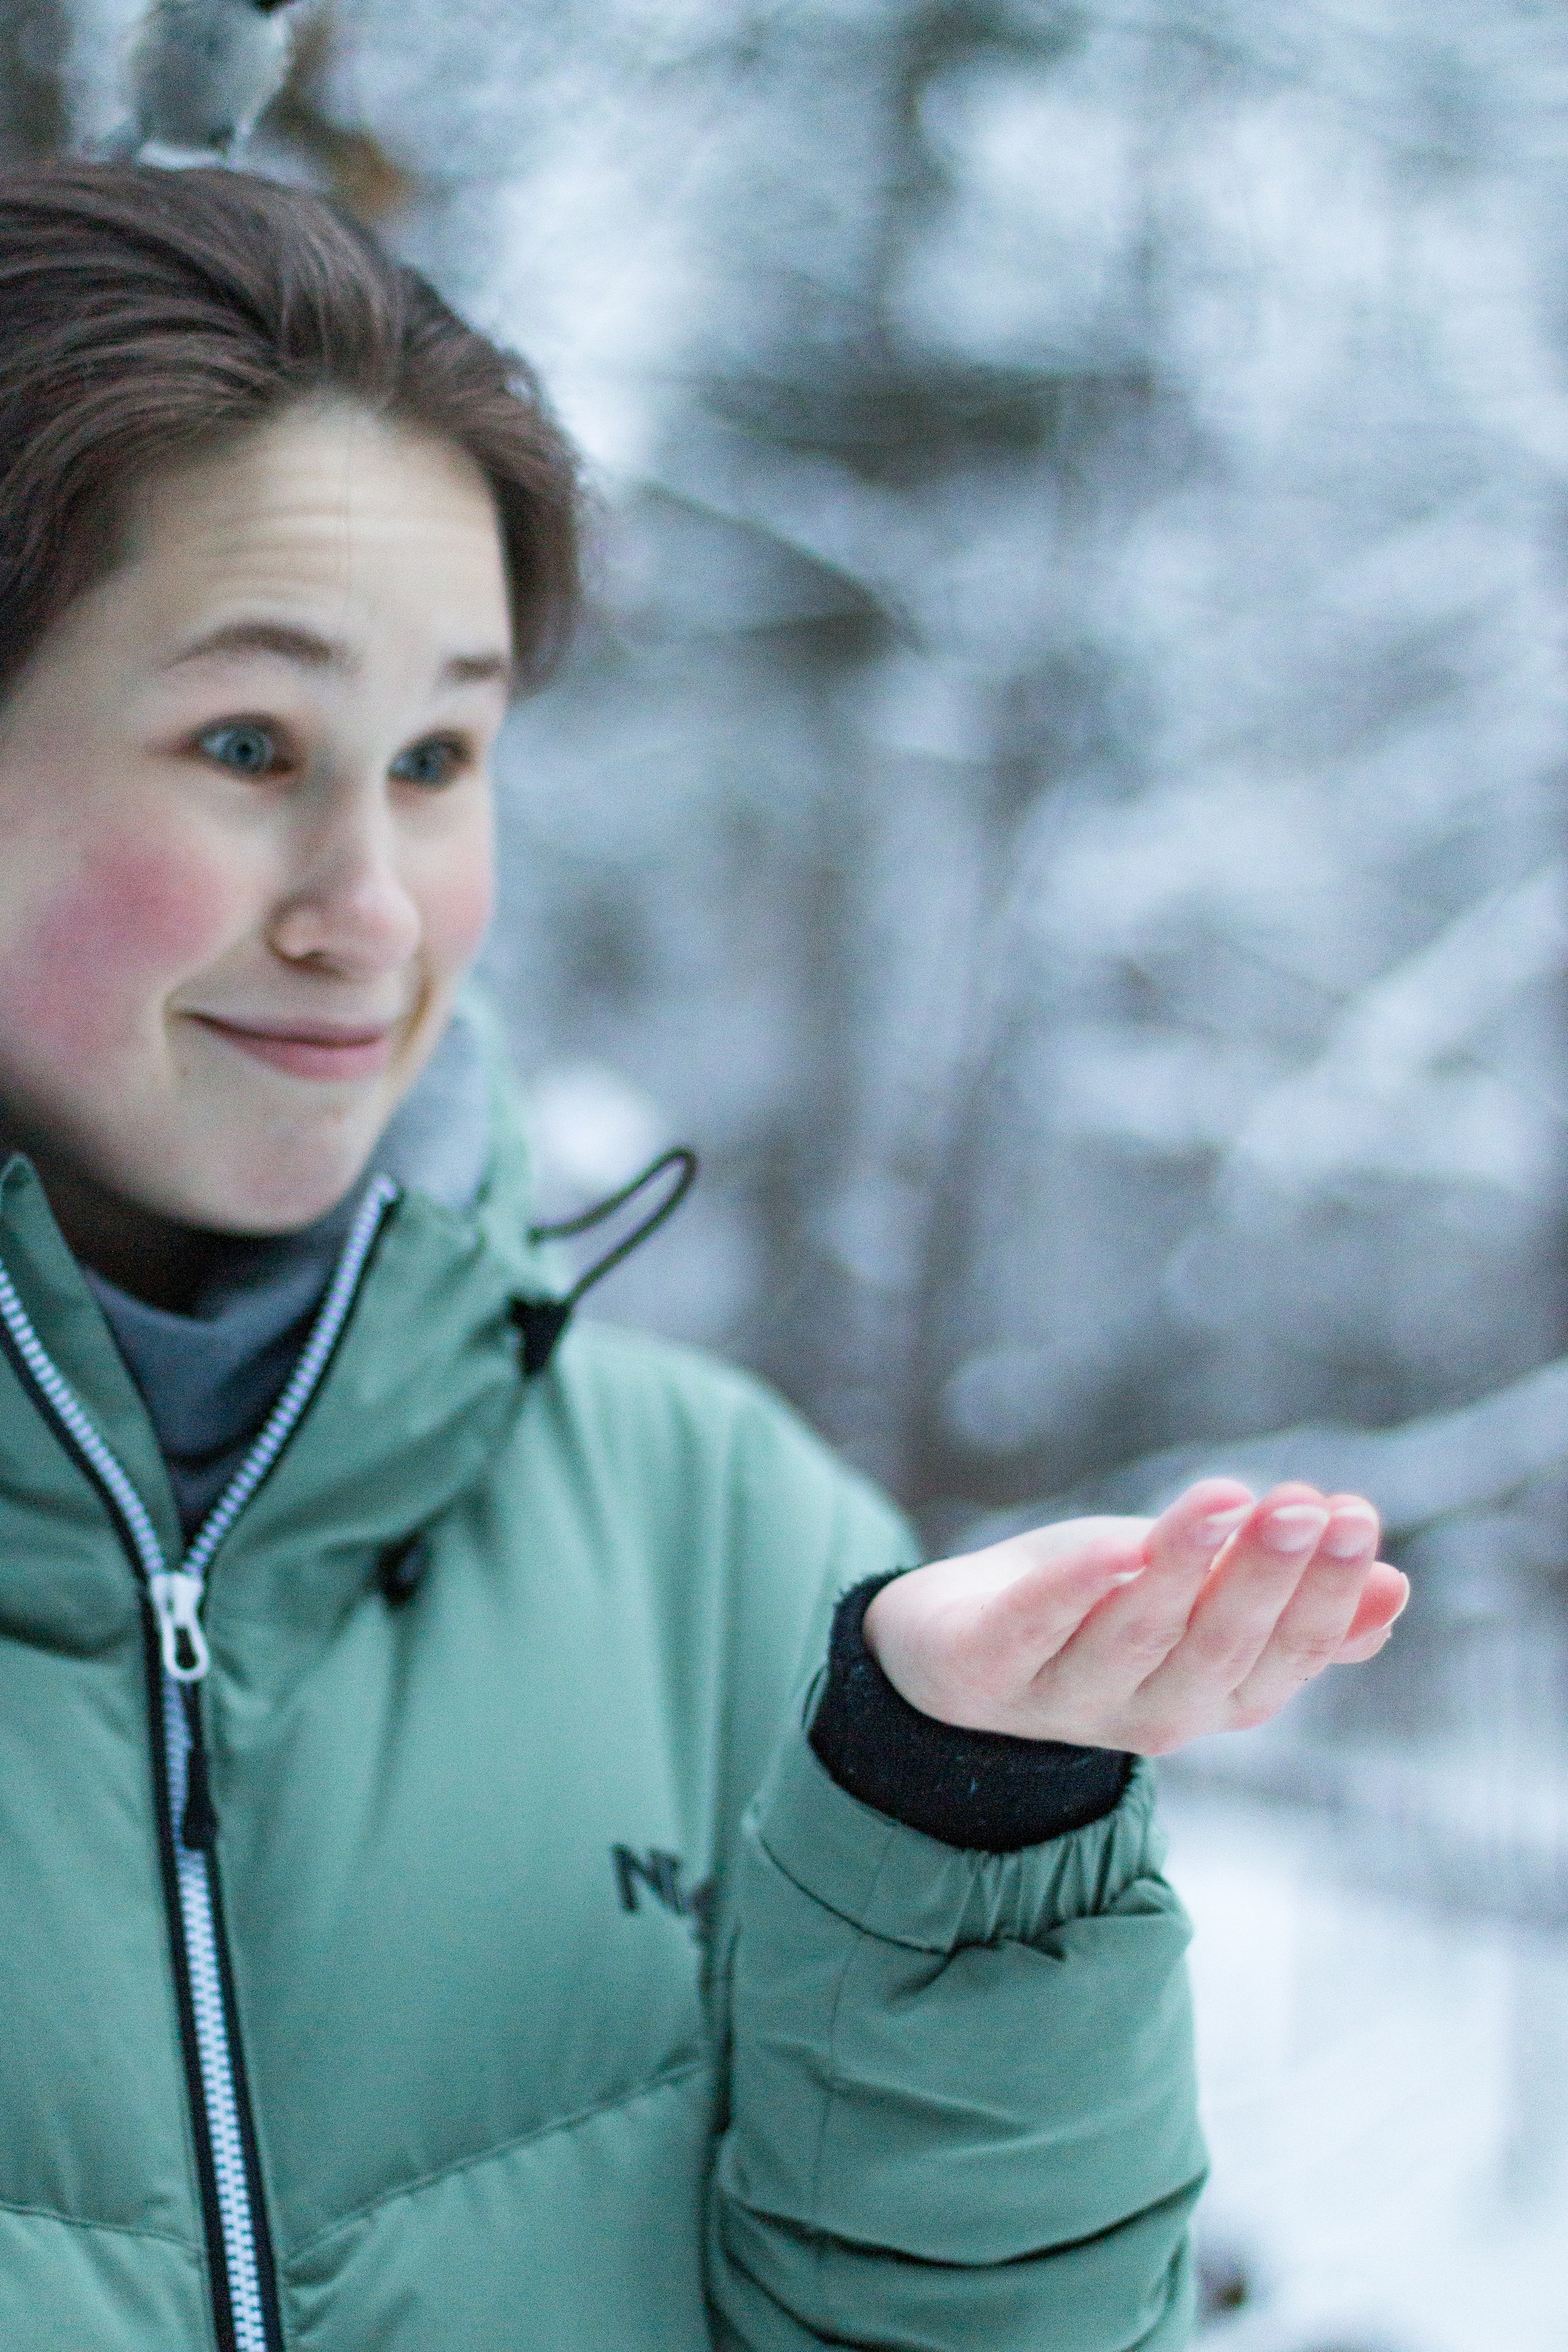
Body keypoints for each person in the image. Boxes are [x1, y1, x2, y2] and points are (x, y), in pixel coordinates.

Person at [0, 165, 1406, 2352]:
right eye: (250, 745)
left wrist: (959, 1838)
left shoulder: (731, 1539)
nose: (373, 908)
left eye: (439, 756)